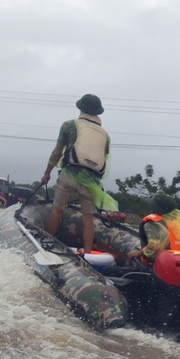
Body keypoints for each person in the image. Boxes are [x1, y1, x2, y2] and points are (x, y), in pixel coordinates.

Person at [39, 94, 117, 255]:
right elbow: (104, 159)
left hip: (70, 174)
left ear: (81, 108)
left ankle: (44, 242)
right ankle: (88, 254)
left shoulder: (69, 125)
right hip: (91, 181)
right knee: (88, 219)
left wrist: (47, 173)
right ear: (97, 112)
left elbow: (57, 152)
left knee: (57, 210)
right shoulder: (105, 135)